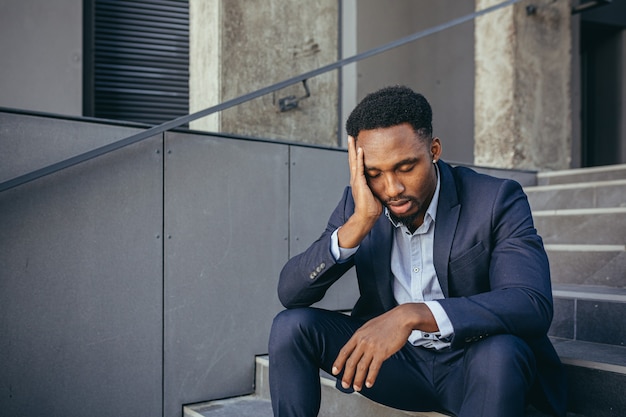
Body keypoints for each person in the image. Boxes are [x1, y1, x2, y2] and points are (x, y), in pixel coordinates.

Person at [268, 86, 566, 417]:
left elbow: (531, 304)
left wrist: (412, 315)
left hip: (475, 367)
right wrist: (359, 223)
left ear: (434, 150)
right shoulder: (362, 204)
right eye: (374, 174)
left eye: (406, 168)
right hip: (399, 367)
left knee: (500, 352)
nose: (392, 188)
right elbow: (290, 292)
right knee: (291, 326)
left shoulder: (495, 199)